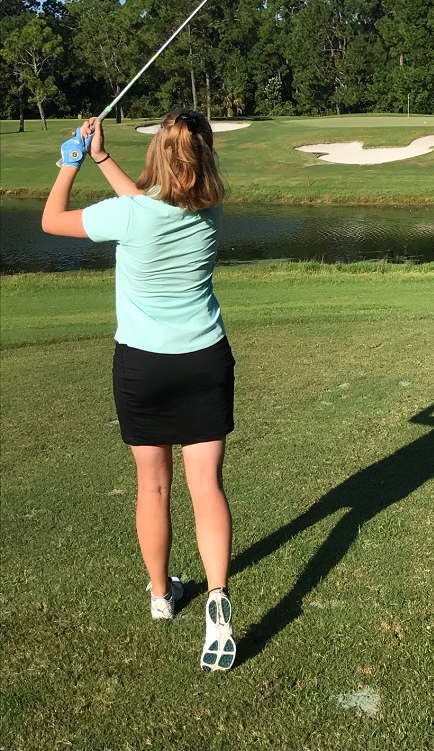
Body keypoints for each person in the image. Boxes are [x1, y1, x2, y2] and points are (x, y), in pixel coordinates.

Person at [42, 109, 237, 672]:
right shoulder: (210, 211)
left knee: (152, 487)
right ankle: (218, 601)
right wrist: (103, 158)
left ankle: (161, 596)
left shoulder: (127, 216)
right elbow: (147, 205)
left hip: (143, 368)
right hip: (204, 360)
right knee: (206, 485)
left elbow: (52, 220)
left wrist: (69, 162)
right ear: (204, 159)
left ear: (159, 156)